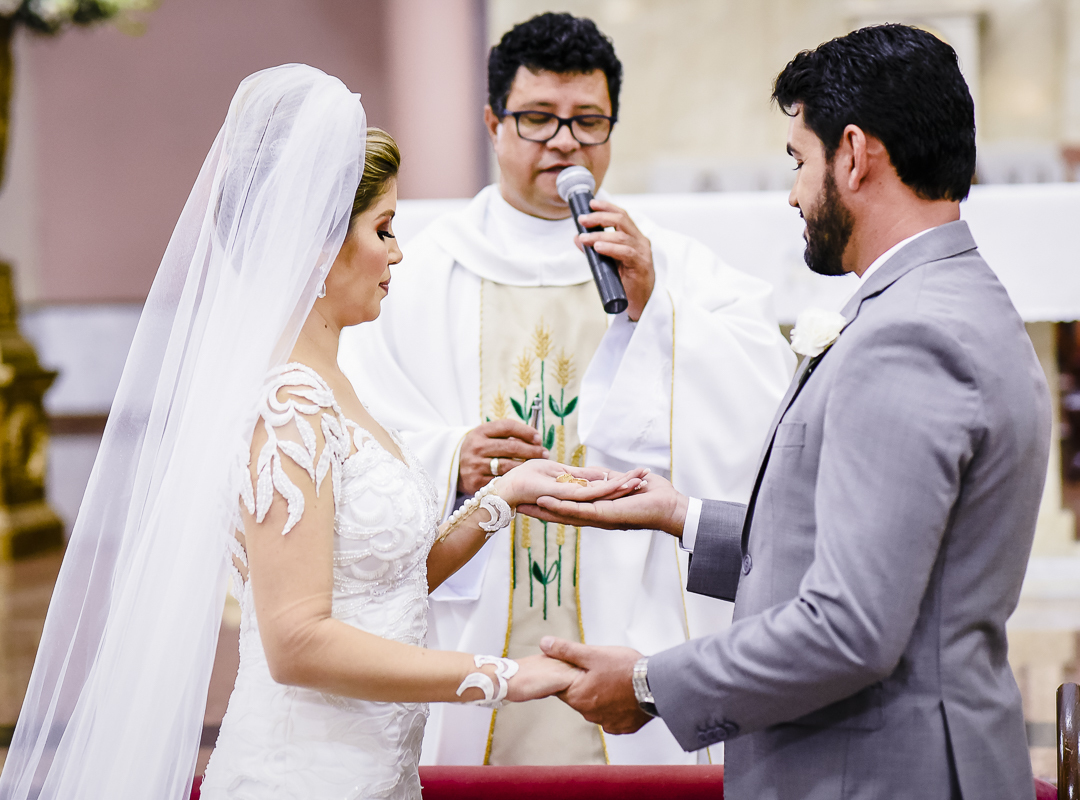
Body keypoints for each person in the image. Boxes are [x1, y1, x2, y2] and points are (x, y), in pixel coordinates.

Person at [0, 65, 642, 800]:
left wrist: (503, 500)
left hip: (375, 771)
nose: (397, 253)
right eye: (383, 229)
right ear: (318, 245)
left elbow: (383, 586)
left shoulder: (333, 384)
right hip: (304, 777)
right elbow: (297, 642)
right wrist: (509, 677)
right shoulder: (288, 405)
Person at [529, 25, 1053, 800]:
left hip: (880, 775)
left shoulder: (906, 336)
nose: (793, 193)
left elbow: (850, 629)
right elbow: (900, 552)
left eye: (799, 161)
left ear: (853, 152)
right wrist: (683, 517)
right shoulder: (956, 297)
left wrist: (645, 684)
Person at [339, 12, 794, 767]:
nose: (564, 143)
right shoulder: (423, 267)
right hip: (475, 613)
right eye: (539, 120)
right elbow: (354, 410)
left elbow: (764, 400)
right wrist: (450, 454)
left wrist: (659, 312)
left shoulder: (665, 263)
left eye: (588, 121)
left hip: (632, 614)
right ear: (493, 122)